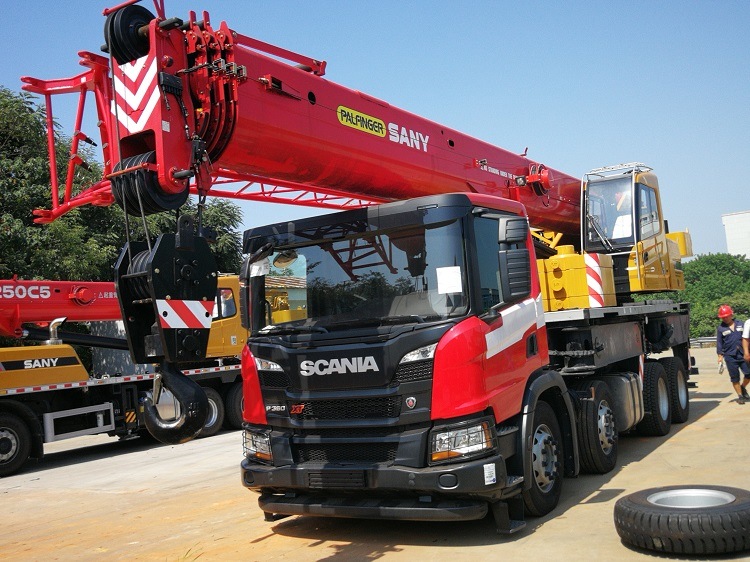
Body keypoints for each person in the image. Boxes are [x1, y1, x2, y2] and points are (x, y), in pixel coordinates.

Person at [716, 305, 750, 404]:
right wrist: (720, 356)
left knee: (748, 374)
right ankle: (740, 396)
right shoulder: (721, 328)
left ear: (731, 314)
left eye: (727, 316)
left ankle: (743, 387)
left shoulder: (741, 324)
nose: (725, 318)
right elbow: (719, 343)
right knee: (735, 377)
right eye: (723, 317)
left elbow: (747, 338)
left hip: (743, 354)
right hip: (730, 356)